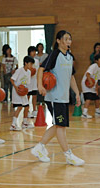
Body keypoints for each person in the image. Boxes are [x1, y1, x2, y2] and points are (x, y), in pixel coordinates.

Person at [31, 30, 85, 166]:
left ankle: (40, 147)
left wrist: (77, 93)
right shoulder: (55, 54)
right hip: (54, 97)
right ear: (58, 41)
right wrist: (40, 86)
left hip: (64, 97)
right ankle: (68, 155)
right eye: (66, 39)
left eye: (70, 39)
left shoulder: (70, 57)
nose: (68, 42)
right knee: (61, 126)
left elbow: (71, 76)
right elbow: (41, 69)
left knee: (58, 125)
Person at [10, 56, 34, 131]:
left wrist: (26, 91)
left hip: (23, 91)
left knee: (26, 106)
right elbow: (11, 79)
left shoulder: (29, 72)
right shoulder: (19, 71)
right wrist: (16, 88)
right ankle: (13, 125)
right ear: (26, 63)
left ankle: (25, 122)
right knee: (20, 107)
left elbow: (27, 83)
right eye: (30, 64)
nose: (31, 66)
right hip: (17, 91)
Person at [81, 54, 100, 118]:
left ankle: (97, 111)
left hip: (93, 85)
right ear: (96, 60)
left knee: (96, 98)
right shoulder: (94, 66)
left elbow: (96, 79)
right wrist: (90, 82)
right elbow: (88, 74)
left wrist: (96, 89)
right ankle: (84, 113)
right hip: (86, 84)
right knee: (88, 97)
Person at [27, 46, 39, 117]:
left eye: (35, 51)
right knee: (28, 96)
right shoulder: (27, 60)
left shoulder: (36, 61)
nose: (34, 53)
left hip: (34, 81)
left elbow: (37, 71)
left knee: (34, 96)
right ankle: (27, 110)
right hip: (28, 81)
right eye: (33, 51)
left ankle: (34, 110)